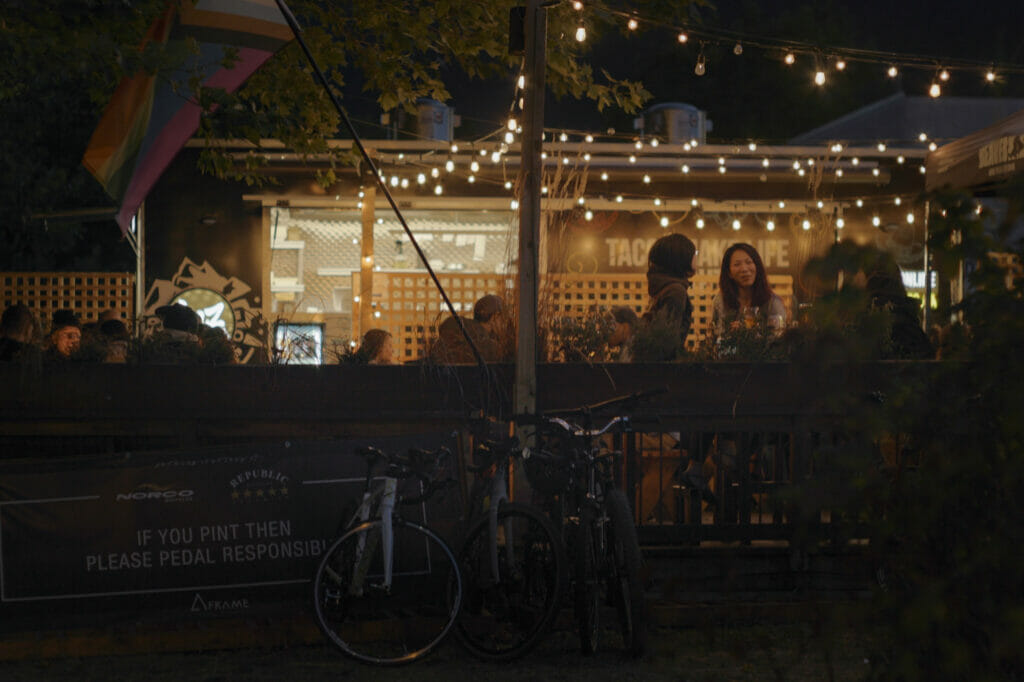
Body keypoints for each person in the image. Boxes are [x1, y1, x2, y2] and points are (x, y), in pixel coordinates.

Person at [636, 233, 697, 360]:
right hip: (665, 370)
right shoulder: (676, 291)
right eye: (693, 254)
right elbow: (668, 339)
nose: (696, 257)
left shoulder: (662, 287)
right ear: (681, 258)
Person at [712, 242, 787, 338]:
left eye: (749, 262)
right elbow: (716, 338)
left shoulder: (773, 303)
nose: (744, 269)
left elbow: (778, 340)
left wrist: (749, 334)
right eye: (737, 264)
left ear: (757, 267)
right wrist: (730, 335)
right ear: (729, 273)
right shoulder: (720, 302)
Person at [428, 294, 506, 364]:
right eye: (503, 319)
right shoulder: (489, 347)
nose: (504, 324)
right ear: (494, 317)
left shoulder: (456, 330)